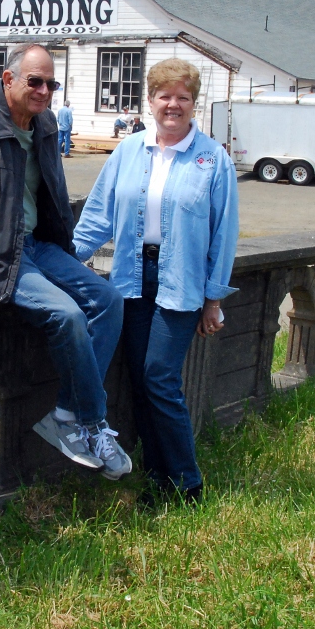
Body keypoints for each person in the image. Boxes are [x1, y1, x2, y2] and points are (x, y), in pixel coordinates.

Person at [0, 42, 131, 480]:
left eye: (51, 83)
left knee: (108, 300)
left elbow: (53, 199)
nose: (44, 91)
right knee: (65, 315)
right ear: (8, 80)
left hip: (40, 247)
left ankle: (65, 414)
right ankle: (92, 423)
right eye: (35, 81)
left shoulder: (43, 124)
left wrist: (69, 254)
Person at [73, 58, 239, 505]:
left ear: (193, 103)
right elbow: (97, 217)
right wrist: (65, 263)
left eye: (183, 97)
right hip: (130, 277)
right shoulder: (129, 151)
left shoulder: (213, 160)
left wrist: (213, 299)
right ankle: (157, 476)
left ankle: (187, 482)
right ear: (150, 100)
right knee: (140, 381)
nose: (173, 104)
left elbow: (223, 235)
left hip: (181, 280)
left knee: (160, 377)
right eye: (164, 95)